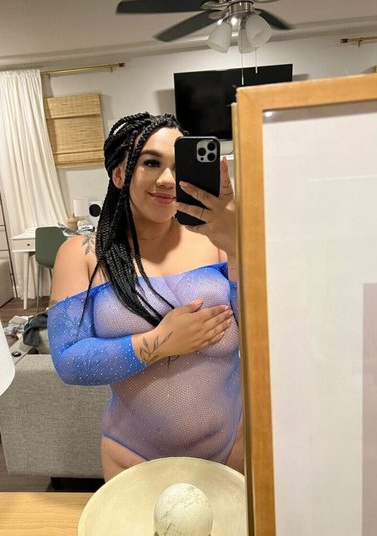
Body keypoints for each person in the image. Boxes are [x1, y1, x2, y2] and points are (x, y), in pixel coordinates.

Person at [48, 112, 243, 481]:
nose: (167, 179)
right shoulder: (83, 254)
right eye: (151, 163)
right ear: (119, 174)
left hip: (233, 450)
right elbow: (68, 362)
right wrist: (160, 342)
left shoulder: (217, 242)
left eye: (178, 166)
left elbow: (260, 334)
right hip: (135, 461)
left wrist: (236, 246)